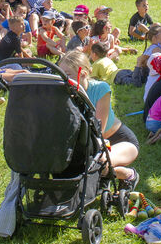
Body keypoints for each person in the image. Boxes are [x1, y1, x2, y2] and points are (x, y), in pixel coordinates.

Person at [58, 51, 139, 190]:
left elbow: (98, 130)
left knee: (98, 164)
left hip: (118, 140)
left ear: (83, 73)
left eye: (68, 75)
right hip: (89, 142)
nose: (64, 79)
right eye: (61, 74)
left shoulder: (101, 89)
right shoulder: (63, 90)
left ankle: (128, 174)